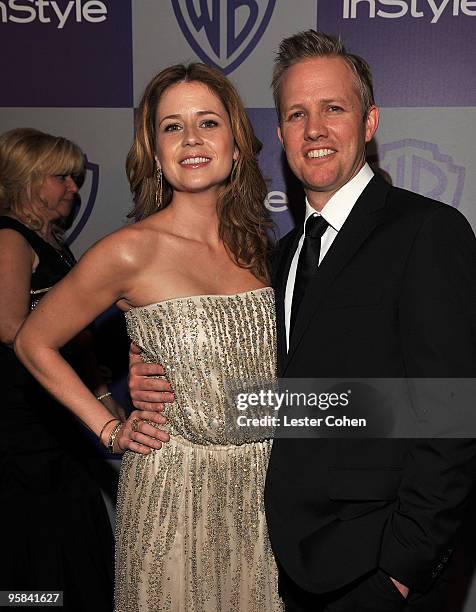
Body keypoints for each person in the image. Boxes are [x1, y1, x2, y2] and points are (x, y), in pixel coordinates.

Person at [128, 31, 476, 611]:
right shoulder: (275, 261)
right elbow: (288, 398)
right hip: (273, 562)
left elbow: (454, 412)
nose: (314, 129)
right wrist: (165, 381)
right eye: (296, 114)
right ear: (281, 134)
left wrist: (403, 567)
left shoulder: (426, 234)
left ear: (369, 123)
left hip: (377, 571)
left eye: (333, 109)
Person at [15, 64, 283, 611]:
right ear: (154, 152)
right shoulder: (128, 251)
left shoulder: (260, 248)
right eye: (171, 127)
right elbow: (31, 341)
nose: (190, 139)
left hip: (260, 490)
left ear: (235, 142)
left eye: (207, 122)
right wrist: (109, 429)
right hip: (173, 491)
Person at [0, 128, 117, 610]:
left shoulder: (55, 244)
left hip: (57, 426)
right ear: (26, 180)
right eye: (61, 177)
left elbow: (76, 349)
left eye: (75, 177)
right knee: (34, 560)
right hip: (21, 433)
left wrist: (108, 405)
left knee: (76, 555)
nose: (74, 187)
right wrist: (82, 331)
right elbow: (12, 328)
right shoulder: (10, 238)